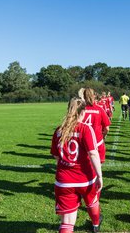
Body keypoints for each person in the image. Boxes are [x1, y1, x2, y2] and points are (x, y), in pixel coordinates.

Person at [50, 97, 103, 233]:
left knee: (67, 223)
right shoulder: (85, 129)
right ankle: (96, 225)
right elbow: (93, 154)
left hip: (64, 181)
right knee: (92, 202)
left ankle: (95, 224)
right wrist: (99, 176)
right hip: (85, 179)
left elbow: (56, 156)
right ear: (83, 112)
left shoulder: (59, 130)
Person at [83, 88, 111, 164]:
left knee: (85, 165)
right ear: (94, 96)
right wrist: (103, 136)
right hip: (97, 141)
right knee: (97, 166)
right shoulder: (100, 109)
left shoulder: (80, 110)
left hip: (83, 142)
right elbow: (107, 128)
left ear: (84, 96)